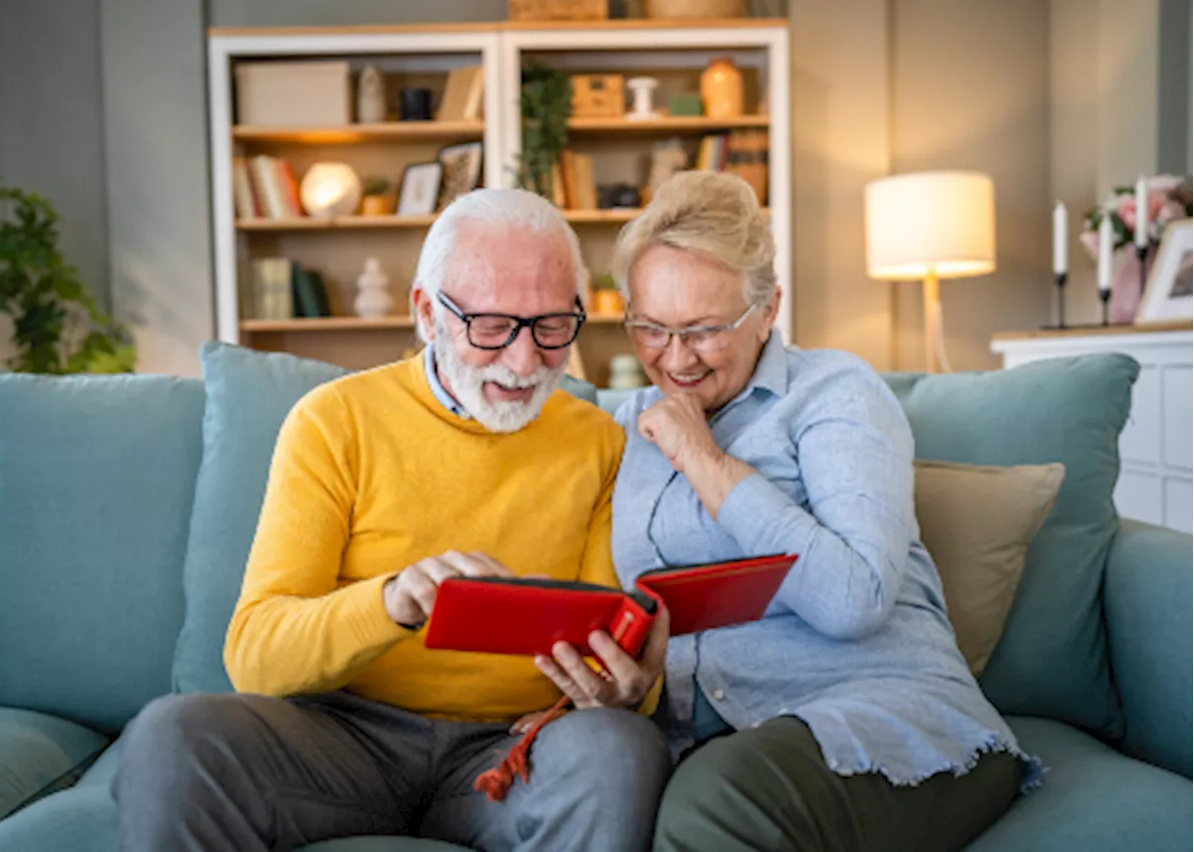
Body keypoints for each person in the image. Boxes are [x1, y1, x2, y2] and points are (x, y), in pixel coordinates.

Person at [111, 188, 671, 852]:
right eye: (491, 327)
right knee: (174, 737)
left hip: (514, 748)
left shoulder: (600, 442)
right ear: (427, 312)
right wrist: (392, 601)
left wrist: (628, 692)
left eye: (551, 327)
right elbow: (256, 658)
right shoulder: (334, 422)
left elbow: (606, 642)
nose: (524, 363)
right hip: (340, 739)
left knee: (622, 749)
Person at [536, 171, 1036, 852]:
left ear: (769, 309)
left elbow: (854, 598)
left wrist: (706, 461)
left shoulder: (836, 393)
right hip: (716, 742)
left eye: (704, 330)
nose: (674, 359)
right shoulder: (628, 426)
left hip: (881, 718)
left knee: (711, 803)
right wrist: (626, 687)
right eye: (649, 327)